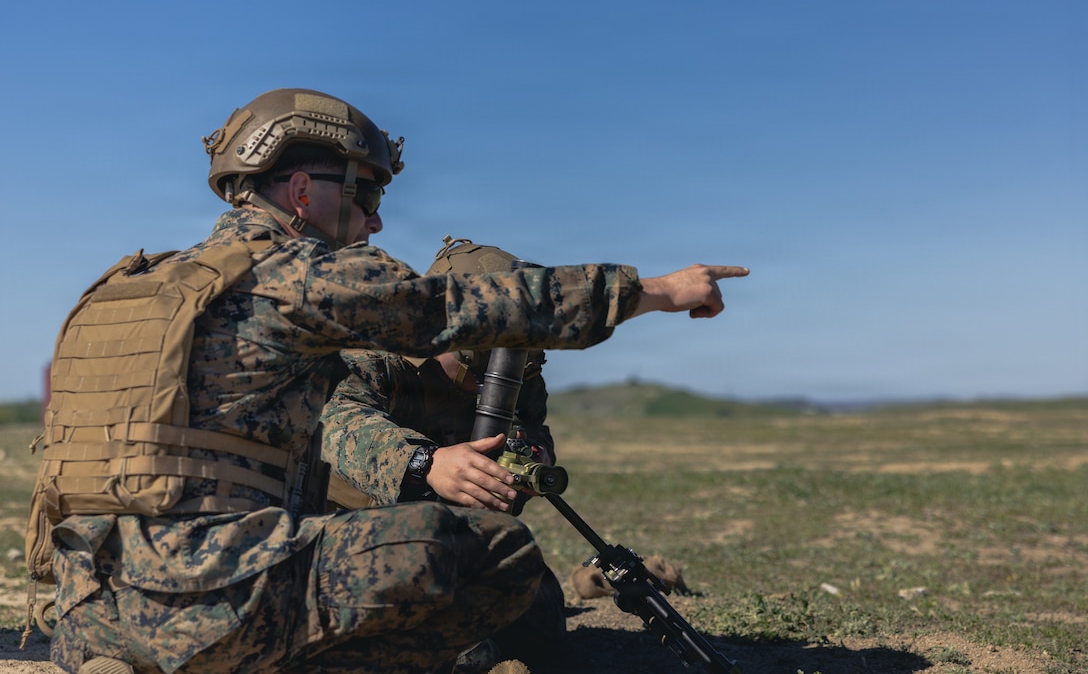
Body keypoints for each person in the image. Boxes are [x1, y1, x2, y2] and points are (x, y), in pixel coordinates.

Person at [30, 87, 748, 674]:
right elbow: (455, 308)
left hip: (87, 602)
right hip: (212, 599)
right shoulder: (296, 275)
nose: (375, 222)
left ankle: (132, 656)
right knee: (495, 555)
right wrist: (656, 291)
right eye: (367, 193)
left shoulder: (125, 291)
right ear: (302, 190)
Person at [320, 238, 565, 666]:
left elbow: (533, 423)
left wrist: (533, 453)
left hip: (454, 536)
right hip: (350, 530)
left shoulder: (519, 365)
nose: (502, 371)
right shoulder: (372, 349)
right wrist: (427, 463)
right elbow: (335, 421)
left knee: (541, 622)